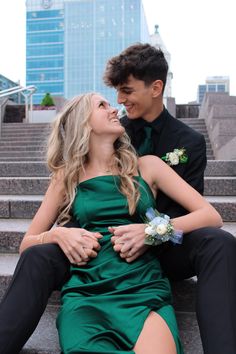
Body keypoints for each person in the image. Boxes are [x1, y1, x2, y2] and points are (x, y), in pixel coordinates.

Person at [0, 43, 235, 354]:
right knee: (36, 255)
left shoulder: (177, 148)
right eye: (107, 101)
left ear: (156, 88)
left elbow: (203, 216)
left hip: (160, 249)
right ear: (84, 124)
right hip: (92, 259)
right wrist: (60, 233)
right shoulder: (96, 149)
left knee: (218, 241)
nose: (118, 104)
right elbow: (32, 239)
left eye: (126, 91)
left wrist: (150, 231)